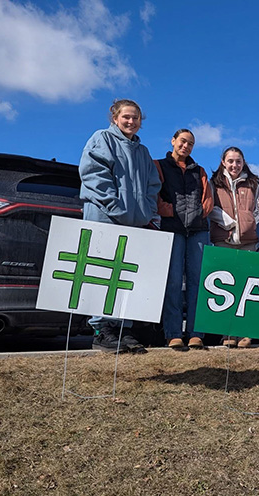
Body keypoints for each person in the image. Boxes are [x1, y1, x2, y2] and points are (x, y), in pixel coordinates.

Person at [79, 99, 161, 354]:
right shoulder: (102, 139)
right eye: (126, 116)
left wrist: (146, 211)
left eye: (136, 117)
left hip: (134, 223)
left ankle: (122, 328)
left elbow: (152, 186)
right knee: (103, 273)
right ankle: (101, 330)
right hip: (106, 217)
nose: (131, 121)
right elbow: (93, 174)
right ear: (115, 117)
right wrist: (115, 206)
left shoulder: (143, 152)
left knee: (126, 276)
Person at [154, 129, 213, 351]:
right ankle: (173, 333)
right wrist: (173, 213)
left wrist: (195, 215)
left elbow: (208, 201)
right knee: (173, 282)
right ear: (173, 141)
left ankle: (196, 333)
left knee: (198, 282)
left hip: (198, 231)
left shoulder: (200, 171)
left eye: (190, 143)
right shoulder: (159, 166)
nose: (186, 146)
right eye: (182, 141)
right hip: (172, 230)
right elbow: (156, 198)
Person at [209, 146, 259, 348]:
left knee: (248, 287)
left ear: (243, 162)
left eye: (238, 161)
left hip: (248, 242)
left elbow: (258, 208)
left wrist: (248, 223)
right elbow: (210, 207)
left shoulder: (253, 182)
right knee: (225, 288)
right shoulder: (215, 183)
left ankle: (246, 332)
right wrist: (229, 222)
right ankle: (227, 332)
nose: (234, 165)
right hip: (224, 240)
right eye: (230, 161)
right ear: (223, 162)